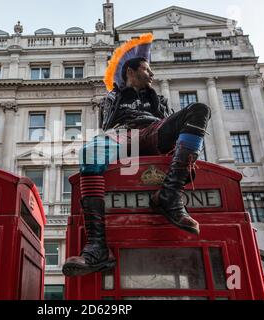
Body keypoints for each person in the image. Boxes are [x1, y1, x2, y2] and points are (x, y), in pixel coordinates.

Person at [62, 34, 211, 277]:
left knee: (200, 110)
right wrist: (122, 93)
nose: (152, 75)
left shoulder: (159, 99)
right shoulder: (113, 97)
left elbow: (172, 127)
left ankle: (168, 196)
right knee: (90, 152)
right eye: (147, 69)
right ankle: (98, 246)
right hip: (124, 134)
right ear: (131, 71)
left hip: (153, 132)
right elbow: (106, 125)